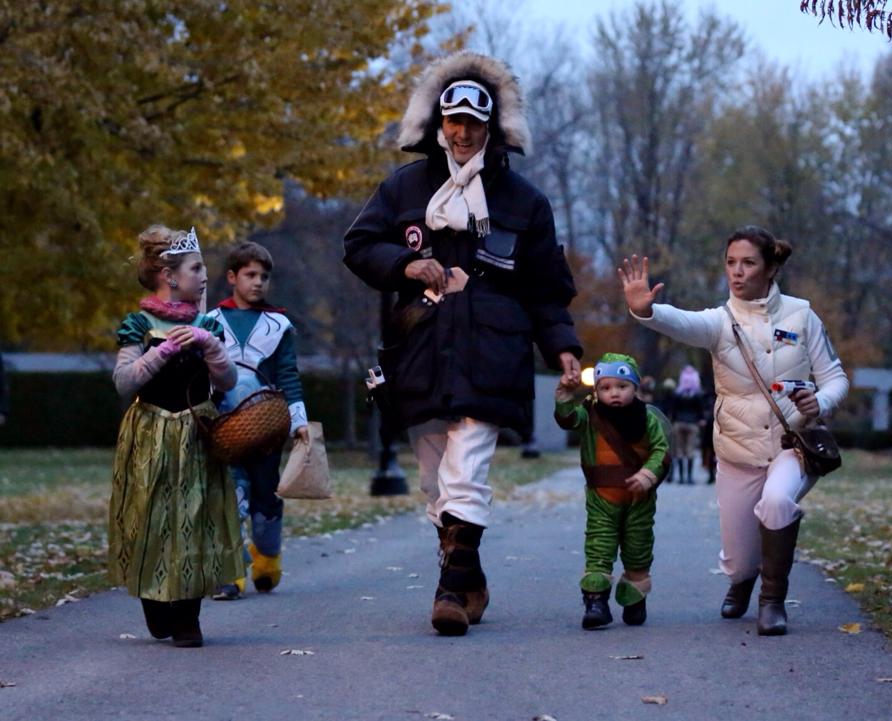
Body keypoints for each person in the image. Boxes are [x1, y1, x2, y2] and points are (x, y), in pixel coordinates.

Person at [343, 51, 582, 636]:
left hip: (492, 353)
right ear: (438, 123)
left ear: (492, 127)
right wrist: (406, 265)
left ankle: (449, 591)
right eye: (454, 121)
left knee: (467, 469)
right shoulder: (403, 189)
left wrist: (563, 349)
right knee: (434, 481)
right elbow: (358, 245)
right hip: (419, 350)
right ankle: (468, 576)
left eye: (475, 123)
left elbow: (547, 290)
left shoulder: (525, 202)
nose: (463, 132)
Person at [619, 225, 848, 636]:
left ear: (771, 268)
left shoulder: (802, 315)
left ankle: (772, 602)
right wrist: (646, 310)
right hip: (738, 451)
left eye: (748, 263)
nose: (736, 272)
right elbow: (682, 322)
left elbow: (835, 377)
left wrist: (822, 401)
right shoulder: (719, 323)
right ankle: (743, 581)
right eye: (730, 263)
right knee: (740, 560)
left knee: (778, 501)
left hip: (790, 445)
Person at [109, 224, 243, 647]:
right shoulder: (138, 325)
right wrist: (161, 351)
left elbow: (227, 382)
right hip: (149, 432)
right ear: (170, 276)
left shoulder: (208, 326)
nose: (205, 275)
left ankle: (188, 616)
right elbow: (124, 382)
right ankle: (155, 600)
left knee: (195, 517)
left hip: (196, 434)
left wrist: (210, 345)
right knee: (149, 515)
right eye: (196, 267)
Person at [207, 241, 310, 600]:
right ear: (232, 277)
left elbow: (288, 375)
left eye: (264, 276)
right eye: (250, 275)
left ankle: (267, 558)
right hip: (222, 426)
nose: (258, 282)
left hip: (267, 428)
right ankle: (228, 573)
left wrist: (299, 422)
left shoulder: (278, 325)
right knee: (229, 497)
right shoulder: (211, 322)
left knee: (266, 498)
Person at [555, 353, 670, 630]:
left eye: (622, 386)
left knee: (638, 548)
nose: (614, 394)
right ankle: (596, 602)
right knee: (599, 546)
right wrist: (564, 398)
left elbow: (661, 450)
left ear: (635, 387)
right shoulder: (590, 415)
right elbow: (569, 420)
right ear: (596, 391)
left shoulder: (647, 418)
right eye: (605, 388)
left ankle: (635, 597)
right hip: (601, 498)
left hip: (639, 499)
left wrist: (648, 474)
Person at [670, 365, 706, 484]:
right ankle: (689, 478)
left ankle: (681, 478)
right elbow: (701, 410)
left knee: (679, 450)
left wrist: (673, 421)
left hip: (678, 423)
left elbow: (673, 410)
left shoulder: (678, 393)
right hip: (692, 424)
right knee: (690, 450)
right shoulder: (697, 394)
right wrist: (701, 419)